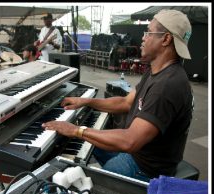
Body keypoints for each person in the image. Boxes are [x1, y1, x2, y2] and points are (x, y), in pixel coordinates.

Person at [42, 9, 194, 182]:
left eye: (149, 32)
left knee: (90, 183)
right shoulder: (156, 70)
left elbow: (129, 141)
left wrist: (76, 130)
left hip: (145, 167)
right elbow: (125, 102)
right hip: (137, 151)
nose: (143, 38)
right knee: (87, 143)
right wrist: (86, 101)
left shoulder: (167, 85)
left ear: (166, 39)